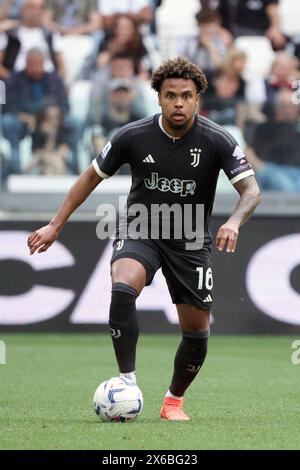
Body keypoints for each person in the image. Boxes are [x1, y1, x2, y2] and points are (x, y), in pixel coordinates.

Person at [27, 57, 260, 421]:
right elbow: (91, 177)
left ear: (198, 98)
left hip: (190, 239)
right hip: (142, 228)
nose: (178, 103)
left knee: (197, 332)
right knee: (122, 285)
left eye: (186, 95)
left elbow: (251, 191)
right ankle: (127, 382)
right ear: (159, 98)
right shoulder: (133, 135)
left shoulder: (218, 140)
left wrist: (233, 221)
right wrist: (55, 225)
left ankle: (172, 401)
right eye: (170, 96)